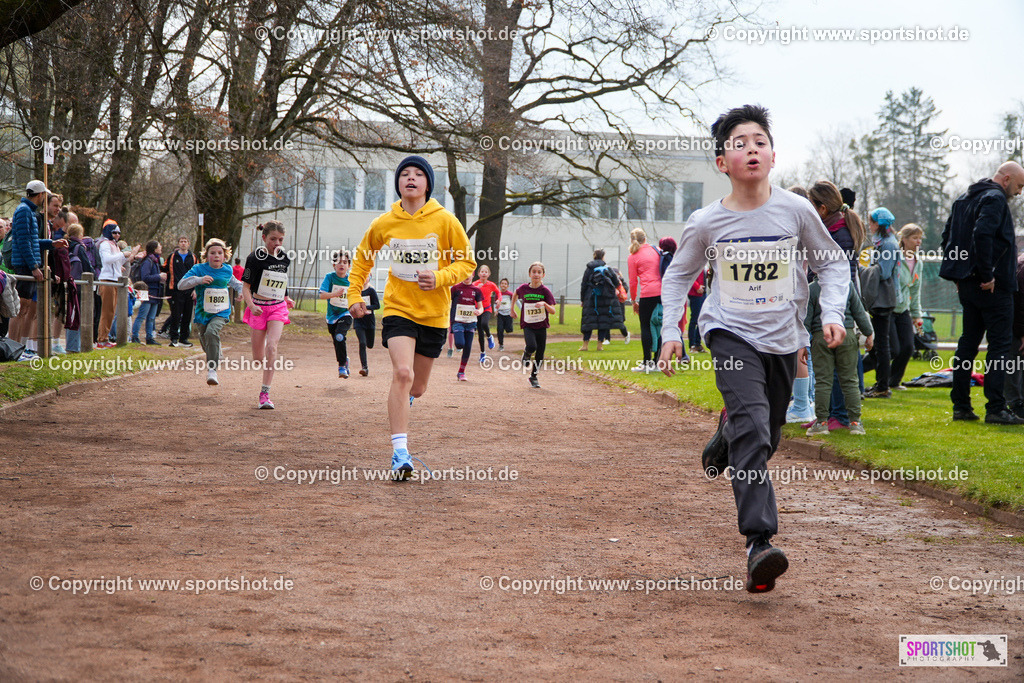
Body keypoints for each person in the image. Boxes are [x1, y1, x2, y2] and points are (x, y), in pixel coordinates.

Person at [659, 104, 850, 593]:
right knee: (754, 433)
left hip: (784, 340)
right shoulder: (706, 222)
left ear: (772, 154)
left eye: (759, 141)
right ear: (722, 162)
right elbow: (678, 275)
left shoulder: (796, 210)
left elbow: (832, 265)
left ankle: (728, 430)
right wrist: (672, 333)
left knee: (766, 435)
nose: (751, 149)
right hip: (729, 333)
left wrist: (831, 313)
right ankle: (759, 543)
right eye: (738, 143)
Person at [347, 155, 476, 479]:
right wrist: (353, 296)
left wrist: (441, 278)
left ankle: (405, 403)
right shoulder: (384, 222)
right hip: (398, 308)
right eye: (405, 173)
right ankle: (400, 454)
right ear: (399, 183)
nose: (411, 178)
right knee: (402, 374)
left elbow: (466, 263)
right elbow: (362, 261)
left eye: (419, 173)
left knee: (417, 388)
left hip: (433, 314)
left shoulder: (445, 220)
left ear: (428, 183)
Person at [941, 161, 1024, 424]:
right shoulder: (995, 198)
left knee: (967, 344)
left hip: (967, 284)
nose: (1019, 192)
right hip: (993, 286)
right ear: (1007, 178)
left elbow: (948, 237)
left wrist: (958, 273)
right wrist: (987, 274)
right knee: (998, 347)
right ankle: (996, 409)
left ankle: (961, 407)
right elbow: (983, 234)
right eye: (1020, 185)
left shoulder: (964, 198)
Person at [804, 273, 874, 435]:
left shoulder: (812, 289)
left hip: (821, 335)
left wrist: (802, 344)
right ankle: (855, 423)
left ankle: (821, 423)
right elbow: (859, 311)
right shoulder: (847, 284)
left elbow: (805, 320)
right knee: (850, 380)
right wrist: (868, 333)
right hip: (847, 334)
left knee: (822, 381)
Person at [241, 221, 295, 409]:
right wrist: (251, 304)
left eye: (280, 239)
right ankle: (264, 356)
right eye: (273, 239)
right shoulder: (254, 258)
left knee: (272, 347)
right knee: (258, 358)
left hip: (277, 307)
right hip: (258, 308)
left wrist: (287, 297)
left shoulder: (284, 258)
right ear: (264, 238)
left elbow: (281, 280)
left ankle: (265, 393)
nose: (277, 243)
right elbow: (246, 287)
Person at [177, 238, 244, 386]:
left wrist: (240, 292)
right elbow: (181, 285)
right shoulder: (199, 269)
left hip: (221, 311)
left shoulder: (227, 270)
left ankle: (212, 370)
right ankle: (216, 352)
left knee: (211, 332)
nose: (216, 256)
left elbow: (237, 284)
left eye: (220, 253)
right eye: (212, 253)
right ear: (206, 256)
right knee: (205, 339)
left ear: (225, 256)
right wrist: (199, 280)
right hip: (203, 312)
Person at [862, 207, 900, 399]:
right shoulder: (883, 242)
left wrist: (863, 270)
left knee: (882, 344)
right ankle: (880, 383)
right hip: (881, 299)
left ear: (879, 224)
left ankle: (883, 386)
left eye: (871, 223)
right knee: (879, 344)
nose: (870, 226)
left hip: (883, 299)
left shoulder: (888, 245)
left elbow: (883, 272)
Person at [9, 181, 50, 354]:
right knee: (20, 309)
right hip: (24, 265)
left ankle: (17, 348)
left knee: (24, 309)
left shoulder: (28, 211)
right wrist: (33, 266)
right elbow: (24, 242)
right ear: (40, 195)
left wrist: (51, 243)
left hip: (27, 264)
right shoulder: (24, 211)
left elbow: (31, 241)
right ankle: (12, 348)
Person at [889, 224, 924, 389]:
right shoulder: (894, 257)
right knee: (891, 349)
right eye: (915, 238)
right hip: (888, 308)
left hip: (904, 309)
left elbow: (915, 290)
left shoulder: (918, 263)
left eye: (920, 238)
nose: (918, 242)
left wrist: (917, 315)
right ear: (904, 239)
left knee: (908, 346)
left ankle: (893, 382)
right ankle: (859, 368)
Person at [511, 262, 556, 389]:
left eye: (539, 272)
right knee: (532, 345)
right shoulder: (524, 288)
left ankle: (534, 377)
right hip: (528, 324)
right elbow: (515, 294)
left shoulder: (545, 291)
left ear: (543, 275)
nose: (536, 274)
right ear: (530, 274)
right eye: (534, 272)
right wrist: (512, 309)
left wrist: (544, 304)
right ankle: (527, 352)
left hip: (541, 325)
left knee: (540, 353)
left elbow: (553, 310)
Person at [628, 228, 663, 369]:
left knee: (646, 327)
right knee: (659, 325)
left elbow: (632, 281)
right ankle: (658, 360)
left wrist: (633, 300)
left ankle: (647, 361)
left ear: (632, 240)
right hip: (661, 293)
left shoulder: (633, 256)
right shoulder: (657, 250)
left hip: (647, 294)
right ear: (645, 238)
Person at [319, 250, 354, 378]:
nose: (342, 264)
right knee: (337, 340)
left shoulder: (352, 279)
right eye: (339, 262)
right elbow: (322, 295)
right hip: (332, 316)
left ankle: (342, 367)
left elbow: (358, 293)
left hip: (346, 314)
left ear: (349, 266)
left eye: (345, 262)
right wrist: (335, 294)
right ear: (334, 265)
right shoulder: (330, 277)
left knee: (340, 336)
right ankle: (344, 359)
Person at [580, 249, 623, 351]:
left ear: (594, 256)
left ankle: (585, 345)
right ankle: (600, 345)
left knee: (588, 321)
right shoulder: (607, 268)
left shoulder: (589, 268)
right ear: (603, 257)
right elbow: (616, 282)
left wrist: (583, 299)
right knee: (603, 321)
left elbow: (584, 284)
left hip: (591, 298)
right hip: (605, 298)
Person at [64, 223, 93, 352]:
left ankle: (71, 344)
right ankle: (74, 346)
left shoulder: (65, 245)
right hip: (78, 285)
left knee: (69, 313)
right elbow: (87, 265)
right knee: (77, 315)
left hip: (66, 282)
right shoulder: (79, 248)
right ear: (80, 234)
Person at [130, 240, 166, 344]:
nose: (161, 247)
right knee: (142, 316)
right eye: (159, 246)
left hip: (155, 293)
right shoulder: (148, 261)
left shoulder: (155, 261)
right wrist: (159, 276)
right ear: (154, 249)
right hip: (146, 292)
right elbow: (145, 277)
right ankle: (135, 336)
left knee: (151, 318)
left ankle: (149, 337)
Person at [165, 236, 196, 348]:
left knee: (187, 315)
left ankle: (184, 338)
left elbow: (197, 274)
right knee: (175, 315)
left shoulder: (193, 257)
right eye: (181, 241)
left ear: (188, 244)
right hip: (176, 291)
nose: (183, 244)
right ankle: (173, 338)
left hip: (189, 291)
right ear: (178, 244)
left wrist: (195, 290)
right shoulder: (172, 256)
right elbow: (164, 268)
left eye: (185, 242)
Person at [451, 274, 484, 380]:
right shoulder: (455, 288)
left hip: (471, 322)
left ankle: (461, 372)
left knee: (468, 347)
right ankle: (457, 346)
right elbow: (448, 302)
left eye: (469, 273)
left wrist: (479, 311)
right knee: (460, 344)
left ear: (473, 275)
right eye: (464, 273)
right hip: (458, 321)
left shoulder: (476, 290)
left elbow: (481, 306)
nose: (466, 276)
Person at [1005, 253, 1024, 419]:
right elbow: (1019, 304)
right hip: (1012, 322)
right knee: (1014, 358)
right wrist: (1022, 332)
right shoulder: (1022, 269)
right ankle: (1015, 403)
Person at [473, 265, 500, 363]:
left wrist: (499, 300)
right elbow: (470, 293)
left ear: (488, 274)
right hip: (477, 309)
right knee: (480, 333)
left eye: (486, 272)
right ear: (479, 274)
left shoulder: (491, 284)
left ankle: (489, 336)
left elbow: (498, 292)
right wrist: (476, 288)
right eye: (482, 272)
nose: (484, 273)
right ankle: (482, 353)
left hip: (487, 309)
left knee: (484, 324)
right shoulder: (475, 284)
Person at [353, 281, 379, 376]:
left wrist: (365, 307)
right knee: (362, 343)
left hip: (369, 322)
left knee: (370, 345)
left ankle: (365, 367)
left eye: (366, 276)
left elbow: (377, 305)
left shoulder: (371, 291)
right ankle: (364, 368)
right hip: (358, 321)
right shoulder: (356, 291)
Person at [495, 277, 514, 351]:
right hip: (500, 314)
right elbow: (495, 303)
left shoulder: (510, 294)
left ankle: (508, 327)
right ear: (500, 285)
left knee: (509, 329)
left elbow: (515, 302)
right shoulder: (498, 294)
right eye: (502, 283)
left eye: (505, 284)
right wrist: (495, 310)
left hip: (508, 314)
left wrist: (521, 309)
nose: (503, 285)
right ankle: (501, 344)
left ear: (508, 286)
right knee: (500, 329)